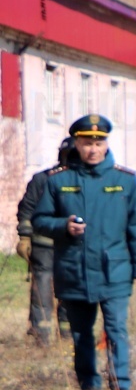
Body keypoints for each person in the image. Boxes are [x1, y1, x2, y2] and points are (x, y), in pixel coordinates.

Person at [33, 114, 136, 390]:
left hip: (115, 270)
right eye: (87, 143)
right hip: (74, 270)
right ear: (77, 143)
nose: (93, 149)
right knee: (80, 334)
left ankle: (121, 388)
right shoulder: (58, 180)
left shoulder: (124, 180)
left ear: (106, 144)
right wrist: (63, 226)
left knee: (116, 330)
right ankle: (89, 388)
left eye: (98, 143)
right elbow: (40, 220)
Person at [14, 137, 73, 347]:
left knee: (71, 289)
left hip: (72, 247)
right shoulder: (43, 179)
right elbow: (27, 209)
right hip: (44, 245)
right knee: (42, 288)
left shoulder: (85, 181)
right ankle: (42, 336)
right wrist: (24, 237)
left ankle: (69, 334)